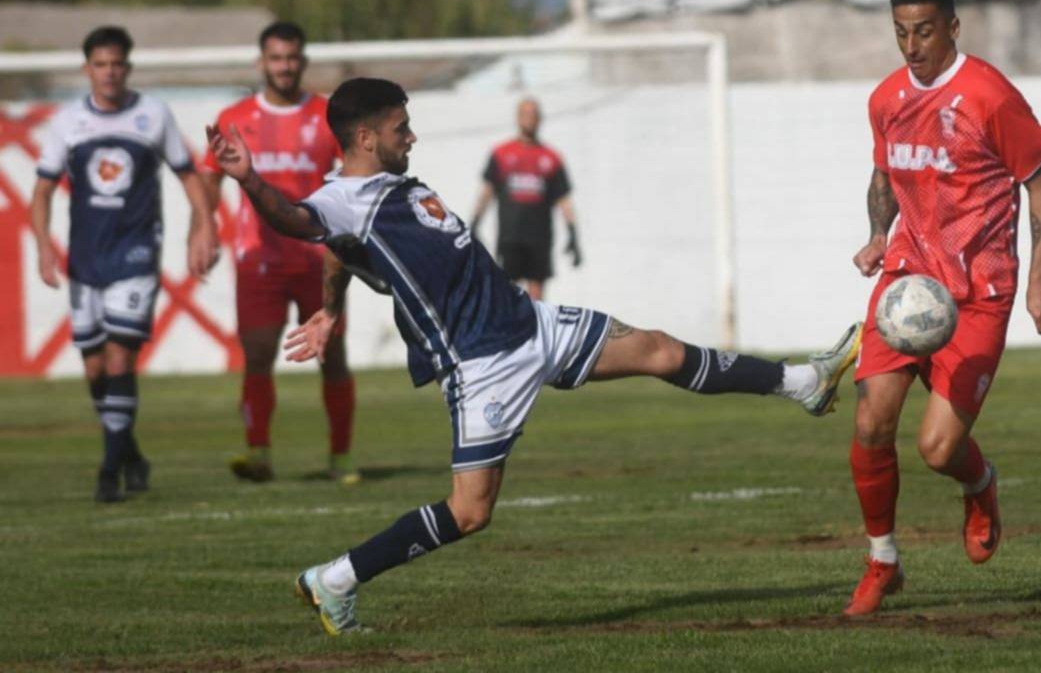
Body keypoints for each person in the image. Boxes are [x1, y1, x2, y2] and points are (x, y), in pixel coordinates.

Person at [205, 77, 861, 634]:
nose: (412, 136)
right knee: (470, 512)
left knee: (660, 351)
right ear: (368, 137)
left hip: (532, 323)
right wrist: (248, 180)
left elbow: (338, 257)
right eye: (402, 127)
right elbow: (299, 223)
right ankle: (335, 579)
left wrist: (331, 310)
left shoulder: (381, 191)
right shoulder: (339, 199)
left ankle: (804, 382)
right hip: (483, 364)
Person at [842, 0, 1041, 616]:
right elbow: (885, 171)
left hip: (979, 292)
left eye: (924, 31)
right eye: (901, 33)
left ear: (951, 27)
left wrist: (1040, 279)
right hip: (908, 281)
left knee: (937, 448)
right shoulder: (886, 98)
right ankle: (882, 561)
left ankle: (980, 482)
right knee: (869, 421)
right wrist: (875, 235)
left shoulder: (989, 96)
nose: (911, 45)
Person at [29, 26, 219, 503]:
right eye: (100, 64)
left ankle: (109, 470)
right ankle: (131, 453)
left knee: (120, 358)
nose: (109, 72)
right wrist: (44, 246)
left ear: (127, 68)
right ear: (87, 69)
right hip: (86, 257)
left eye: (117, 64)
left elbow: (189, 177)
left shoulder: (152, 115)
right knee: (95, 369)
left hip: (136, 252)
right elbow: (43, 190)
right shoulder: (67, 121)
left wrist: (205, 225)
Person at [200, 22, 358, 485]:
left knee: (335, 354)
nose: (285, 66)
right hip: (258, 259)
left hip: (317, 258)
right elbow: (209, 176)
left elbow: (353, 174)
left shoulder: (327, 116)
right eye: (276, 58)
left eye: (292, 57)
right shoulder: (235, 116)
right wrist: (203, 225)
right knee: (258, 354)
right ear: (261, 62)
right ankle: (259, 453)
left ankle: (341, 459)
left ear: (302, 61)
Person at [471, 97, 580, 301]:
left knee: (537, 295)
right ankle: (512, 332)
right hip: (510, 236)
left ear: (540, 119)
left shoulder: (552, 157)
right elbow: (487, 191)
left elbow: (563, 199)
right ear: (518, 118)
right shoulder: (501, 153)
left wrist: (573, 234)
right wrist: (474, 223)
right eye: (526, 114)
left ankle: (536, 332)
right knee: (507, 291)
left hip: (540, 238)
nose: (530, 119)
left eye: (534, 114)